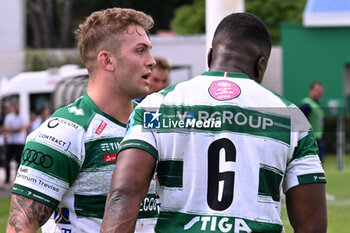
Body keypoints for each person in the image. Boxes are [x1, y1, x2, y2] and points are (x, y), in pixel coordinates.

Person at [101, 12, 327, 233]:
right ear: (261, 65)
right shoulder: (291, 118)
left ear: (210, 56)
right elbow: (312, 225)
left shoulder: (155, 107)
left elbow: (124, 193)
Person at [7, 7, 157, 233]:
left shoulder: (155, 123)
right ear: (107, 60)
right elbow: (21, 226)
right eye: (140, 50)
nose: (152, 61)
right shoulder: (64, 132)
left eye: (149, 50)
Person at [299, 82, 325, 165]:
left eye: (321, 91)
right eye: (317, 90)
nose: (319, 93)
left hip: (318, 140)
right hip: (311, 142)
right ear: (311, 91)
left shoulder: (316, 106)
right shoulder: (307, 105)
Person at [3, 102, 27, 188]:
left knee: (19, 162)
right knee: (7, 162)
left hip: (20, 142)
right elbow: (6, 128)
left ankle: (18, 180)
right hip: (11, 142)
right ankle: (7, 180)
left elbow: (23, 127)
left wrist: (12, 129)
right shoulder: (9, 117)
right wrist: (16, 129)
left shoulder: (23, 116)